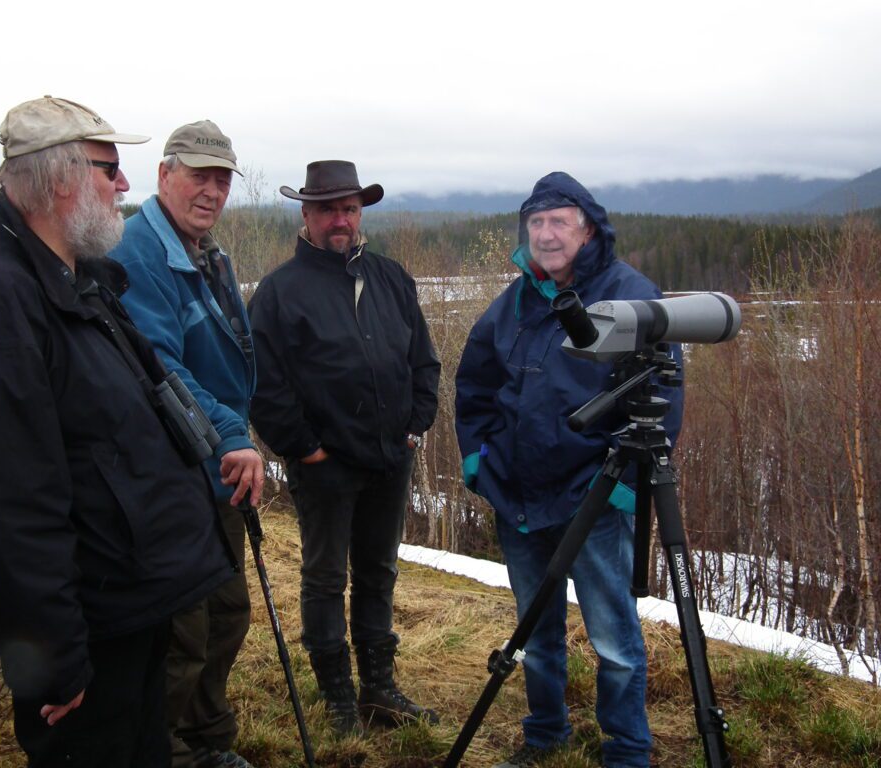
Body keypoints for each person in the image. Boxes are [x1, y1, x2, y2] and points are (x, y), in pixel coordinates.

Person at [0, 96, 234, 768]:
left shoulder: (79, 281)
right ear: (61, 177)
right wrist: (53, 652)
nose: (124, 185)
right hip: (87, 634)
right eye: (110, 169)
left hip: (129, 607)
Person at [454, 172, 683, 768]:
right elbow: (474, 385)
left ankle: (628, 751)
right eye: (536, 222)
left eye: (559, 222)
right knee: (536, 632)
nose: (547, 234)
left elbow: (662, 395)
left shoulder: (630, 294)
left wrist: (626, 489)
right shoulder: (513, 304)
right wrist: (479, 460)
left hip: (594, 497)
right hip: (518, 496)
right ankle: (545, 734)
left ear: (587, 229)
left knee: (613, 637)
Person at [247, 161, 441, 735]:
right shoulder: (280, 293)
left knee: (379, 572)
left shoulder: (391, 277)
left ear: (361, 214)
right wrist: (305, 451)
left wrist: (415, 426)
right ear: (306, 214)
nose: (341, 219)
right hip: (324, 467)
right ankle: (337, 697)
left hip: (390, 459)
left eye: (350, 208)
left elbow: (423, 362)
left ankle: (379, 689)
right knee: (326, 578)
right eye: (329, 208)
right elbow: (263, 384)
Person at [109, 120, 261, 768]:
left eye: (222, 178)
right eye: (198, 174)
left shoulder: (205, 253)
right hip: (176, 469)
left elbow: (228, 361)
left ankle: (206, 740)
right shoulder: (138, 251)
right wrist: (231, 433)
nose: (211, 189)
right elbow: (159, 365)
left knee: (227, 614)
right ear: (164, 173)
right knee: (186, 630)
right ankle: (162, 750)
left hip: (218, 470)